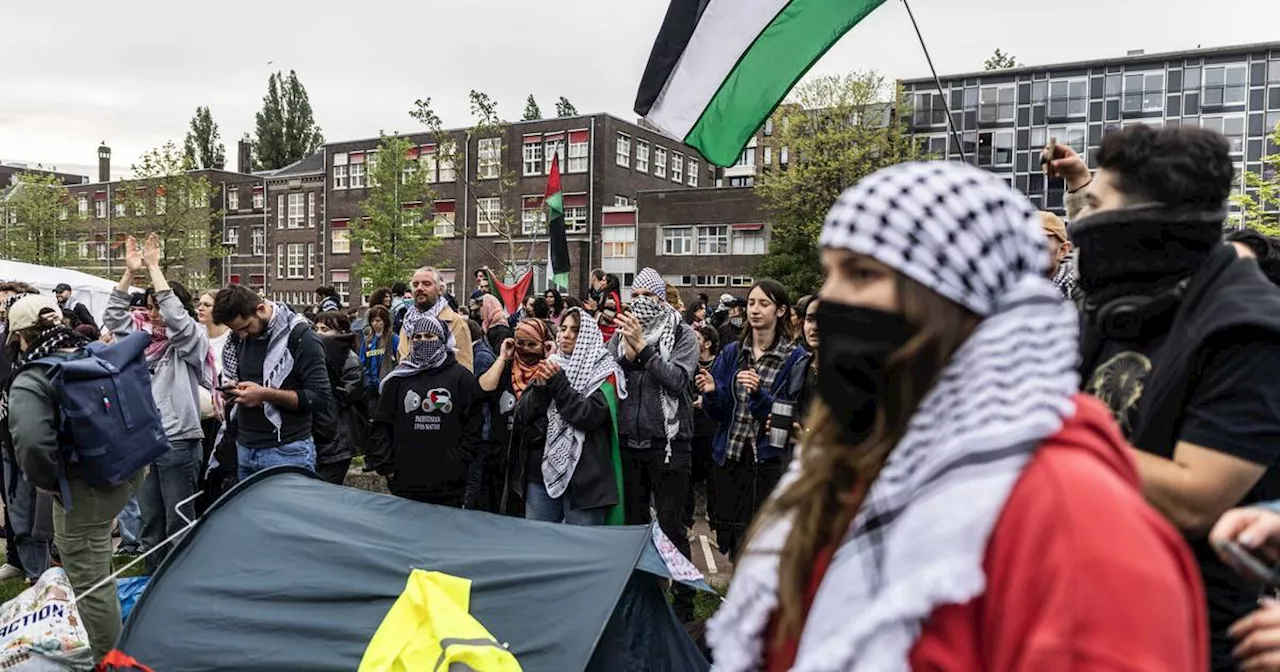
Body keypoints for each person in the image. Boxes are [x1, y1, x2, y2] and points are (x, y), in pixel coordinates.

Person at [706, 160, 1206, 672]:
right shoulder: (849, 466)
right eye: (830, 274)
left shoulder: (1078, 526)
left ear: (959, 302)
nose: (831, 301)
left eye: (861, 274)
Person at [1051, 125, 1280, 670]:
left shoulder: (1250, 327)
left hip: (1199, 635)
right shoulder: (1120, 305)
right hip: (1090, 605)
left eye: (1095, 206)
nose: (1077, 224)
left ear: (1143, 220)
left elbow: (1195, 498)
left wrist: (1044, 428)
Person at [4, 294, 145, 662]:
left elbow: (32, 444)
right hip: (128, 468)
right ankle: (120, 641)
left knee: (90, 583)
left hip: (84, 487)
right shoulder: (95, 350)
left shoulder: (33, 375)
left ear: (20, 334)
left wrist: (46, 481)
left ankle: (112, 662)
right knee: (100, 565)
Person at [102, 234, 209, 575]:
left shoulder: (190, 340)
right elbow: (113, 315)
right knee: (151, 525)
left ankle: (180, 587)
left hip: (178, 441)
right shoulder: (140, 339)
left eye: (158, 305)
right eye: (149, 306)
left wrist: (155, 270)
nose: (153, 313)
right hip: (144, 443)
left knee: (179, 523)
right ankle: (152, 586)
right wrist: (131, 274)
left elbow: (179, 322)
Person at [609, 268, 699, 621]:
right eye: (636, 296)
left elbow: (677, 380)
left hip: (669, 445)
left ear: (661, 299)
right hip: (630, 443)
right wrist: (626, 355)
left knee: (672, 526)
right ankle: (643, 595)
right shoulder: (620, 336)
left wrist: (644, 351)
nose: (641, 302)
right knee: (633, 526)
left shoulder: (683, 333)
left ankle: (685, 601)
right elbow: (608, 374)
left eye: (649, 297)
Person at [697, 279, 802, 561]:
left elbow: (789, 416)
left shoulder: (794, 359)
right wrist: (712, 393)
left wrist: (759, 395)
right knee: (733, 545)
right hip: (730, 458)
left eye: (764, 304)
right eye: (752, 303)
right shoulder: (733, 352)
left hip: (766, 464)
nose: (755, 310)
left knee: (763, 545)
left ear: (780, 311)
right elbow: (718, 414)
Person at [212, 285, 334, 480]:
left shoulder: (301, 338)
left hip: (287, 451)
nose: (242, 335)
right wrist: (232, 391)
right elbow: (237, 375)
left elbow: (320, 399)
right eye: (236, 330)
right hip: (245, 446)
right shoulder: (238, 338)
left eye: (245, 328)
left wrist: (265, 394)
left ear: (260, 309)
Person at [516, 308, 625, 525]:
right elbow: (523, 414)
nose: (566, 334)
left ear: (588, 335)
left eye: (575, 330)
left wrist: (558, 383)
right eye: (563, 328)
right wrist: (541, 388)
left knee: (581, 551)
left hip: (585, 481)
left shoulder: (604, 372)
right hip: (541, 475)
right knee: (540, 547)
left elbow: (588, 415)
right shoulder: (552, 364)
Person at [369, 316, 482, 507]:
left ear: (442, 340)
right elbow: (382, 424)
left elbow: (472, 424)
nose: (422, 341)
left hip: (448, 485)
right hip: (404, 480)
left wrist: (459, 462)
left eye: (429, 336)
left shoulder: (461, 377)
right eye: (417, 337)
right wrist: (387, 466)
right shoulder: (398, 378)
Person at [478, 318, 555, 516]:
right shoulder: (506, 369)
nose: (526, 349)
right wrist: (503, 357)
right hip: (502, 457)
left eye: (532, 344)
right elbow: (484, 388)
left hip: (534, 461)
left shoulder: (550, 371)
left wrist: (551, 358)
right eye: (520, 343)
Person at [312, 311, 366, 485]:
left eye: (325, 329)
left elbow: (347, 396)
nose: (319, 332)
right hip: (319, 440)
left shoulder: (350, 361)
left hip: (338, 440)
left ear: (342, 333)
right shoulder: (315, 356)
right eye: (316, 328)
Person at [397, 267, 474, 373]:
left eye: (426, 284)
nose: (419, 288)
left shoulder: (455, 322)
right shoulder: (407, 322)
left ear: (440, 290)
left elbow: (464, 368)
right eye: (415, 285)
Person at [685, 325, 719, 531]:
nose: (692, 341)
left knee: (713, 478)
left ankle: (714, 523)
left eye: (696, 338)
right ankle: (687, 522)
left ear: (707, 344)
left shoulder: (719, 364)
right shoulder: (689, 364)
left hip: (711, 429)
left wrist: (707, 400)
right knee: (688, 477)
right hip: (691, 427)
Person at [361, 305, 398, 404]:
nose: (375, 324)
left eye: (378, 320)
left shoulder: (393, 339)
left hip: (387, 384)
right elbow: (362, 361)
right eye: (372, 321)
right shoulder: (367, 339)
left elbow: (399, 360)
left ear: (385, 321)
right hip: (370, 384)